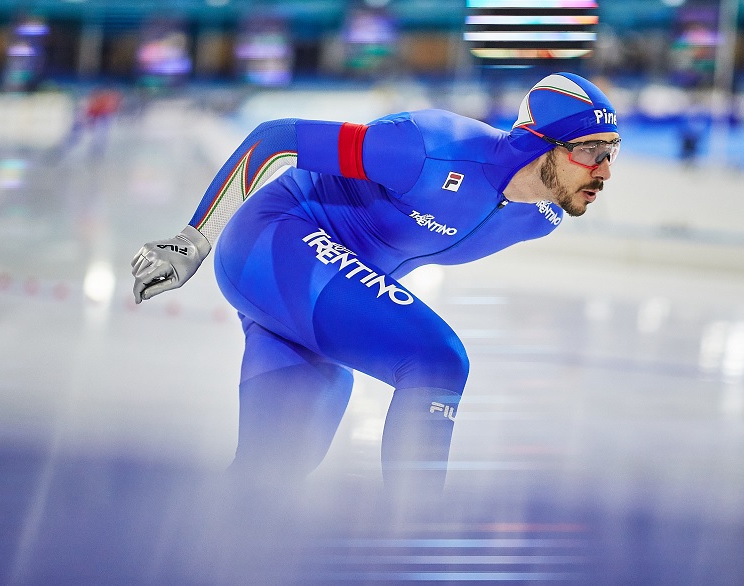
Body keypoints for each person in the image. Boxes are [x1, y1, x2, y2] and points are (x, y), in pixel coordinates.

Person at [130, 72, 620, 498]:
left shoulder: (544, 216)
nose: (604, 170)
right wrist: (192, 240)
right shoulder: (428, 148)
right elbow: (275, 138)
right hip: (274, 238)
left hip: (317, 286)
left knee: (273, 470)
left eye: (611, 152)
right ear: (540, 144)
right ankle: (411, 546)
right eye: (590, 151)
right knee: (436, 360)